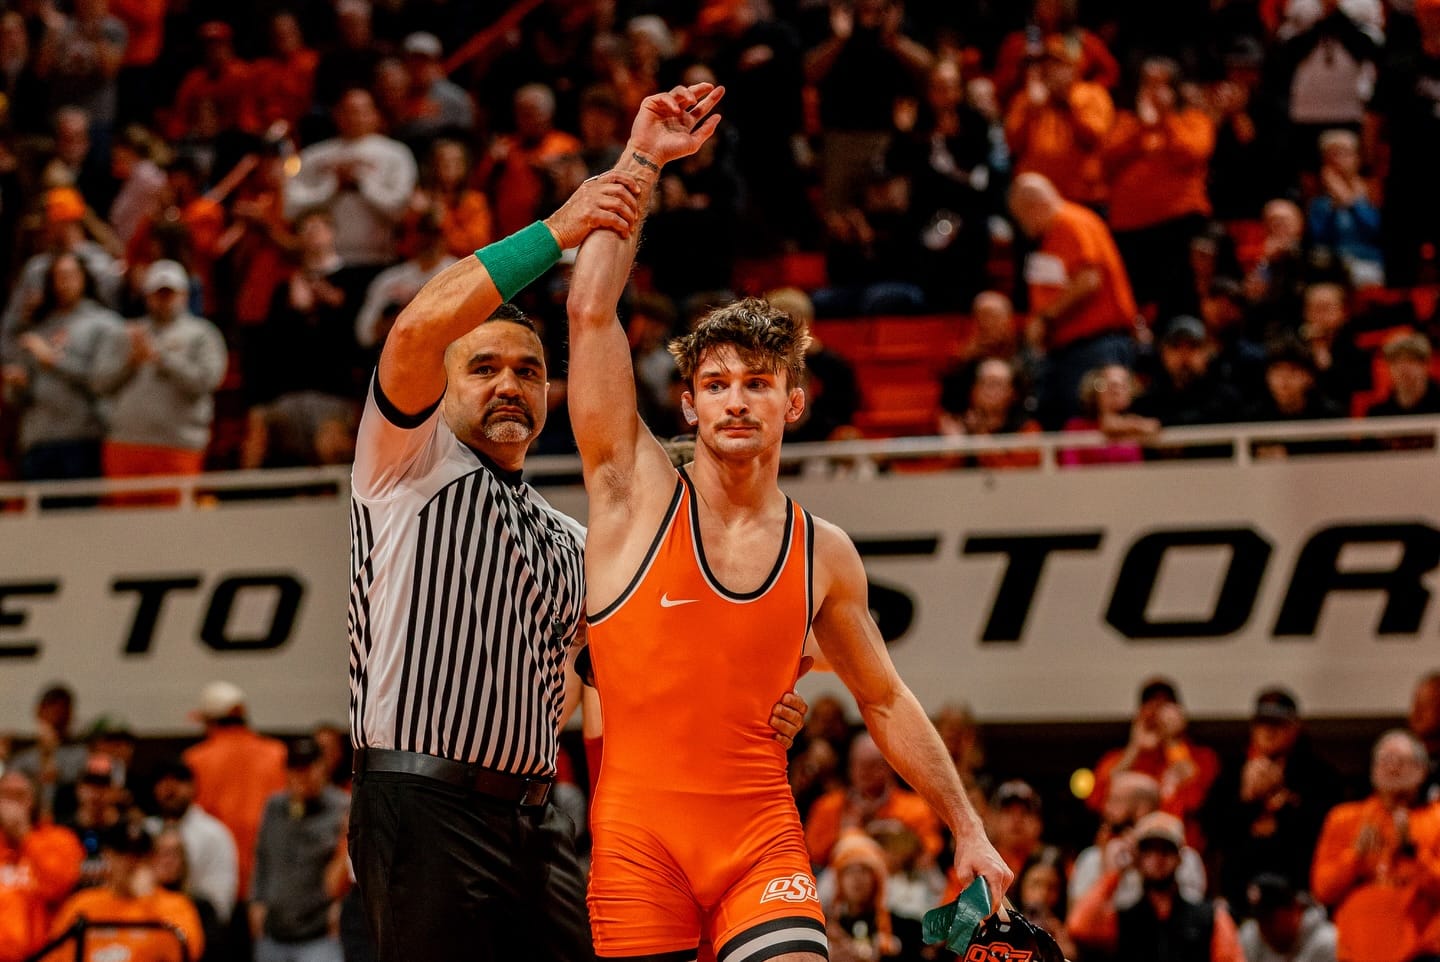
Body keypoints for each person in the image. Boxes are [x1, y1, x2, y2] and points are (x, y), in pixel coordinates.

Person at [565, 81, 1010, 961]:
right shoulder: (630, 491)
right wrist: (645, 158)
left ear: (794, 404)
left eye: (757, 384)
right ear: (686, 406)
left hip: (759, 841)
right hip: (635, 844)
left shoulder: (824, 554)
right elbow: (589, 313)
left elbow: (883, 699)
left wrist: (969, 828)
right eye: (718, 385)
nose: (737, 402)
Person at [342, 158, 804, 962]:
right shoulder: (404, 465)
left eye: (529, 371)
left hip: (537, 816)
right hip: (419, 800)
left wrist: (758, 711)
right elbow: (417, 327)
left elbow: (641, 682)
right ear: (443, 385)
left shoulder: (573, 542)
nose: (509, 385)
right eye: (482, 367)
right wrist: (558, 233)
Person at [1008, 172, 1139, 428]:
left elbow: (1089, 279)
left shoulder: (1070, 222)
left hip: (1095, 344)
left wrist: (1046, 317)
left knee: (1089, 422)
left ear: (1032, 206)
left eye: (1020, 218)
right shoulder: (1052, 236)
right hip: (1068, 348)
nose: (1022, 227)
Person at [1203, 687, 1340, 910]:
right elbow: (1213, 830)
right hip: (1240, 894)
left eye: (1278, 724)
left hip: (1298, 896)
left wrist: (1283, 805)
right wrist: (1247, 801)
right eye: (1262, 724)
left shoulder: (1319, 776)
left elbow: (1325, 834)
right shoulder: (1231, 773)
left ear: (1295, 728)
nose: (1269, 732)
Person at [92, 259, 228, 482]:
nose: (163, 300)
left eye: (169, 293)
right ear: (147, 296)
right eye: (158, 293)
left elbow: (207, 381)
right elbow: (99, 383)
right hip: (125, 444)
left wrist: (162, 358)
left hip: (178, 445)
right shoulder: (126, 333)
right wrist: (131, 362)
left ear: (184, 295)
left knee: (174, 517)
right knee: (124, 516)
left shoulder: (203, 334)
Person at [1310, 729, 1440, 962]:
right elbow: (1322, 889)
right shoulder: (1344, 818)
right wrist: (1355, 858)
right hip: (1356, 952)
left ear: (1422, 769)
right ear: (1372, 769)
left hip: (1420, 954)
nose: (1392, 768)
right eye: (1385, 760)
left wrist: (1413, 851)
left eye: (1401, 761)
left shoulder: (1436, 819)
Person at [1068, 811, 1246, 962]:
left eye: (1166, 850)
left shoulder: (1210, 917)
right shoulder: (1124, 919)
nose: (1157, 858)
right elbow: (1079, 926)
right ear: (1138, 858)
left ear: (1179, 858)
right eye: (1148, 850)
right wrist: (1114, 874)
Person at [180, 681, 286, 913]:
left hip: (215, 878)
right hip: (269, 877)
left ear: (210, 721)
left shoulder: (195, 760)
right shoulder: (277, 754)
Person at [283, 87, 417, 268]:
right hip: (326, 261)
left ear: (375, 114)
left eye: (361, 111)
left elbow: (400, 209)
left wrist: (362, 184)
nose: (355, 118)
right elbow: (290, 207)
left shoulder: (396, 154)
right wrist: (332, 188)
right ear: (336, 114)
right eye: (348, 111)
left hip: (380, 258)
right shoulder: (314, 156)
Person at [1086, 677, 1220, 849]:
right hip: (1127, 852)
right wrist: (1134, 749)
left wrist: (1173, 740)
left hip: (1176, 851)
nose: (1157, 714)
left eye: (1164, 706)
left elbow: (1196, 798)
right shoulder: (1118, 759)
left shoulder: (1200, 756)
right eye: (1150, 706)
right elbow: (1096, 800)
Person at [45, 821, 205, 962]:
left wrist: (149, 901)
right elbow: (54, 956)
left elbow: (189, 952)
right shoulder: (82, 903)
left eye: (138, 854)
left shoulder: (174, 905)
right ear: (108, 855)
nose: (132, 862)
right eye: (123, 853)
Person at [250, 737, 348, 962]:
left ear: (322, 766)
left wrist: (343, 905)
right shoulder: (274, 806)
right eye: (295, 769)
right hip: (274, 930)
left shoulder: (342, 808)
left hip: (320, 933)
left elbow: (352, 868)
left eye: (309, 767)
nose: (302, 776)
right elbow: (263, 856)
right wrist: (255, 901)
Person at [806, 732, 945, 870]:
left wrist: (902, 841)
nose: (863, 772)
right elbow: (813, 853)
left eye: (872, 765)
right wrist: (845, 833)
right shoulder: (828, 806)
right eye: (858, 764)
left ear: (889, 767)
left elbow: (931, 849)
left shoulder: (916, 807)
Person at [143, 758, 238, 929]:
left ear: (193, 787)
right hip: (147, 923)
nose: (169, 789)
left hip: (198, 923)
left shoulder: (214, 834)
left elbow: (221, 903)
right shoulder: (145, 830)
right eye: (162, 782)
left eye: (178, 781)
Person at [0, 770, 83, 962]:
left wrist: (24, 835)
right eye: (5, 795)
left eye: (19, 795)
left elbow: (58, 887)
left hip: (45, 956)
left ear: (34, 800)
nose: (11, 804)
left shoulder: (60, 840)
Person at [1238, 873, 1338, 962]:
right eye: (1260, 920)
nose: (1264, 929)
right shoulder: (1250, 936)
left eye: (1270, 920)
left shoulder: (1328, 942)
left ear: (1294, 909)